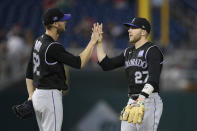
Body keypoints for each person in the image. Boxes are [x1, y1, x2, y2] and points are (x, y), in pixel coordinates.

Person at [25, 8, 100, 131]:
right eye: (62, 20)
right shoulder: (52, 47)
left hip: (38, 95)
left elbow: (29, 72)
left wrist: (31, 95)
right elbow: (79, 63)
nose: (65, 22)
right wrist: (92, 42)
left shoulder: (38, 41)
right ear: (55, 24)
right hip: (50, 97)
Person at [96, 17, 164, 131]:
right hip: (132, 101)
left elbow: (153, 79)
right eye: (129, 28)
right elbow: (106, 65)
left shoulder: (152, 50)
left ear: (143, 32)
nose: (129, 30)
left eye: (133, 28)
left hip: (148, 101)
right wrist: (98, 43)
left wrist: (141, 99)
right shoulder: (128, 52)